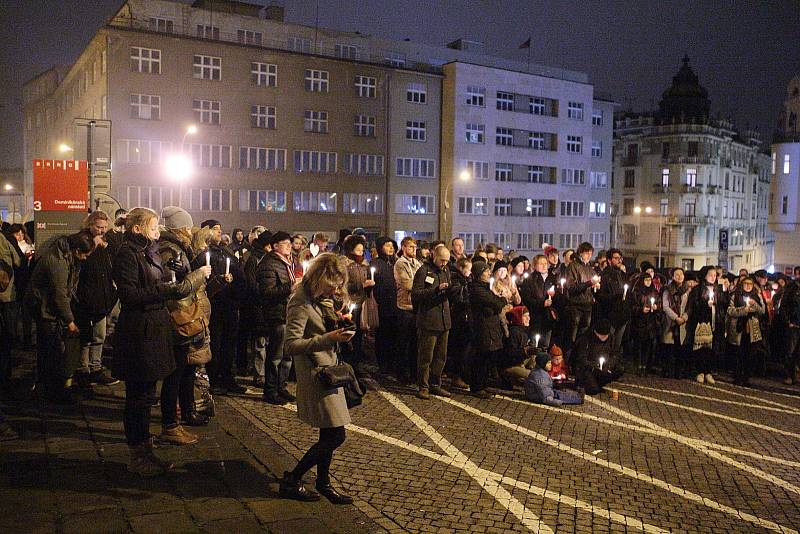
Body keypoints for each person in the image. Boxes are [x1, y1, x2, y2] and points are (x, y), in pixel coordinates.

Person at [112, 208, 210, 476]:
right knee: (138, 397)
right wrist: (166, 289)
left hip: (154, 329)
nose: (158, 233)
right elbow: (130, 294)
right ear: (137, 229)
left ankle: (145, 450)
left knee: (146, 395)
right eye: (154, 228)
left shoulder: (146, 251)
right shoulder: (127, 254)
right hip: (139, 332)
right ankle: (138, 455)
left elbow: (156, 281)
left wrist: (174, 272)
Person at [280, 253, 355, 504]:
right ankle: (292, 479)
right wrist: (329, 338)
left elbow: (323, 326)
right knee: (337, 435)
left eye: (339, 284)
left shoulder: (321, 298)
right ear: (319, 277)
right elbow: (291, 345)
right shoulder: (300, 302)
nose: (336, 289)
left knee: (328, 434)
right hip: (316, 375)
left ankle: (323, 483)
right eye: (332, 283)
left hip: (329, 372)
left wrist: (341, 323)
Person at [158, 206, 212, 432]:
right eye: (188, 228)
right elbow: (177, 288)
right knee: (177, 371)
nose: (191, 232)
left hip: (188, 315)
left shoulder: (180, 248)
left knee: (188, 368)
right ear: (180, 230)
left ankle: (188, 410)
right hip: (179, 318)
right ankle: (172, 419)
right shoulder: (169, 250)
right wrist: (200, 273)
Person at [26, 232, 95, 402]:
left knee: (52, 350)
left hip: (48, 307)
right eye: (85, 255)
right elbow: (59, 294)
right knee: (51, 351)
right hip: (44, 309)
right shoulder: (57, 262)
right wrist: (70, 321)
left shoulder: (65, 255)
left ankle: (51, 387)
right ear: (77, 250)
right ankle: (53, 391)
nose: (85, 259)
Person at [74, 211, 119, 389]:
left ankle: (96, 367)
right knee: (86, 337)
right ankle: (83, 369)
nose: (102, 231)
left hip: (103, 298)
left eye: (104, 227)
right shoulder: (83, 242)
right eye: (98, 227)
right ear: (90, 225)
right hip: (87, 298)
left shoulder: (106, 245)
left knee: (99, 335)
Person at [256, 231, 298, 404]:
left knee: (287, 355)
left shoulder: (288, 263)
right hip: (277, 314)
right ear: (275, 246)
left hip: (289, 313)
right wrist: (291, 286)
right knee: (275, 356)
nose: (289, 245)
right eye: (285, 243)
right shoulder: (269, 264)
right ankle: (271, 390)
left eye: (290, 243)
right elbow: (267, 292)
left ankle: (282, 387)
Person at [411, 244, 452, 399]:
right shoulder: (424, 271)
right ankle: (423, 385)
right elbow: (416, 294)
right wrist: (436, 290)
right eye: (442, 260)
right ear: (434, 256)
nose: (444, 264)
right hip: (429, 319)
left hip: (444, 320)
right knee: (426, 356)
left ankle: (436, 384)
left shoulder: (446, 270)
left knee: (441, 355)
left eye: (447, 261)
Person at [468, 260, 508, 399]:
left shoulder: (485, 288)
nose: (489, 273)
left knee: (488, 357)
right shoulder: (477, 289)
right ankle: (477, 386)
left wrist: (496, 304)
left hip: (490, 326)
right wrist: (501, 300)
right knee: (481, 357)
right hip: (482, 327)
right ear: (479, 274)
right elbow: (496, 304)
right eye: (486, 271)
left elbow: (493, 305)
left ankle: (483, 385)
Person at [687, 266, 727, 384]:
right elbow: (694, 305)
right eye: (710, 275)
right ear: (704, 275)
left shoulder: (718, 289)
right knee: (701, 346)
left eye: (715, 275)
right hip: (702, 321)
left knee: (712, 347)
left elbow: (725, 303)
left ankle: (708, 371)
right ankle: (699, 371)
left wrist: (719, 298)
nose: (713, 277)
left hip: (716, 321)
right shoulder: (698, 289)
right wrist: (705, 304)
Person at [342, 235, 375, 375]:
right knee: (347, 333)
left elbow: (367, 280)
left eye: (362, 250)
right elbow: (344, 284)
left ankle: (356, 362)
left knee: (359, 334)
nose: (361, 252)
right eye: (358, 250)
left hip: (361, 302)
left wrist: (369, 285)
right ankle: (345, 361)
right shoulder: (345, 264)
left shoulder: (364, 265)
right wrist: (361, 285)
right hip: (348, 303)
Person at [726, 277, 765, 386]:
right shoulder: (736, 296)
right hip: (739, 328)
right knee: (738, 353)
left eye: (750, 284)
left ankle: (746, 377)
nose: (748, 286)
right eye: (745, 284)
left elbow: (762, 311)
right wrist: (744, 310)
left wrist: (754, 305)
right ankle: (737, 376)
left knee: (750, 354)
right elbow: (730, 310)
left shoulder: (756, 296)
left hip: (752, 329)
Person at [393, 237, 421, 382]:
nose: (413, 249)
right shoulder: (400, 263)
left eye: (414, 247)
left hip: (416, 306)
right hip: (404, 306)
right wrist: (421, 286)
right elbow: (407, 284)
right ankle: (401, 373)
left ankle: (413, 372)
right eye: (410, 247)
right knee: (403, 342)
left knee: (414, 343)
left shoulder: (417, 263)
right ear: (403, 247)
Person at [370, 236, 398, 375]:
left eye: (392, 245)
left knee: (394, 335)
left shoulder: (396, 263)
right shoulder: (376, 263)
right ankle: (383, 364)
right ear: (381, 248)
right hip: (382, 305)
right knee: (383, 336)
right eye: (387, 245)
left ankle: (393, 363)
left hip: (396, 305)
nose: (390, 248)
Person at [519, 254, 559, 349]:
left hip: (548, 318)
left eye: (546, 263)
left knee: (545, 344)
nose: (544, 266)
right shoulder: (529, 280)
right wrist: (542, 303)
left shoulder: (552, 278)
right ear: (535, 265)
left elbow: (560, 297)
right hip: (535, 317)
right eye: (541, 264)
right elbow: (526, 299)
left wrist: (555, 296)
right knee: (534, 344)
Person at [573, 319, 621, 395]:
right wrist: (596, 366)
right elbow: (581, 359)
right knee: (593, 390)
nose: (604, 338)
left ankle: (599, 383)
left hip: (603, 367)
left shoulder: (611, 337)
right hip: (588, 369)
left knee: (619, 369)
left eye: (606, 336)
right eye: (602, 336)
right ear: (596, 332)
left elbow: (614, 354)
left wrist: (609, 365)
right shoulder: (586, 338)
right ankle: (586, 384)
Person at [595, 248, 629, 357]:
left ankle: (614, 365)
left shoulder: (622, 275)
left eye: (620, 258)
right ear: (609, 260)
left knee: (617, 345)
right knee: (607, 343)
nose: (619, 260)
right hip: (610, 314)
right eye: (616, 258)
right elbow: (600, 296)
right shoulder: (604, 276)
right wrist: (614, 296)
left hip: (622, 315)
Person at [662, 269, 695, 379]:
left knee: (681, 348)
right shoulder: (667, 290)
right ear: (673, 276)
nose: (679, 276)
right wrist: (676, 318)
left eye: (681, 274)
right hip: (671, 322)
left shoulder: (688, 290)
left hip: (683, 323)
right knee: (670, 348)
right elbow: (665, 306)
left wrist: (684, 317)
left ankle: (679, 371)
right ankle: (668, 370)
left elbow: (690, 306)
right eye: (677, 274)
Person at [0, 227, 22, 388]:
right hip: (5, 294)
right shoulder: (4, 239)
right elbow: (17, 261)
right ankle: (5, 376)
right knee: (6, 337)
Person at [566, 242, 599, 345]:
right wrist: (589, 283)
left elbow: (593, 283)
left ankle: (579, 355)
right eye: (586, 253)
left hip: (588, 306)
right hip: (576, 306)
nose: (589, 256)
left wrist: (596, 286)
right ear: (580, 253)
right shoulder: (573, 266)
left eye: (591, 253)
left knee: (583, 336)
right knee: (572, 336)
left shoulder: (589, 268)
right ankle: (569, 356)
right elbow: (572, 287)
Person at [445, 256, 471, 390]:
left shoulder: (464, 279)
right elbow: (458, 298)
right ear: (461, 268)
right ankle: (456, 376)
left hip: (463, 318)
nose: (470, 273)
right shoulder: (456, 280)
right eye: (468, 269)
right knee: (459, 349)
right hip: (458, 319)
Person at [629, 272, 662, 376]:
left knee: (648, 345)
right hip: (639, 322)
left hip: (651, 323)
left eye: (649, 280)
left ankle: (645, 366)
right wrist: (640, 310)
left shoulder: (654, 292)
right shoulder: (637, 292)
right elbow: (632, 306)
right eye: (646, 280)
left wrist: (656, 307)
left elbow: (659, 303)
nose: (648, 282)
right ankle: (638, 366)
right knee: (638, 345)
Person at [499, 306, 533, 386]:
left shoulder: (523, 331)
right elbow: (509, 353)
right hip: (509, 366)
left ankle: (525, 379)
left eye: (529, 316)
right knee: (533, 376)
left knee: (534, 357)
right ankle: (511, 378)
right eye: (525, 316)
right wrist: (525, 351)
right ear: (518, 318)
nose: (529, 318)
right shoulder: (513, 332)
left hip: (519, 362)